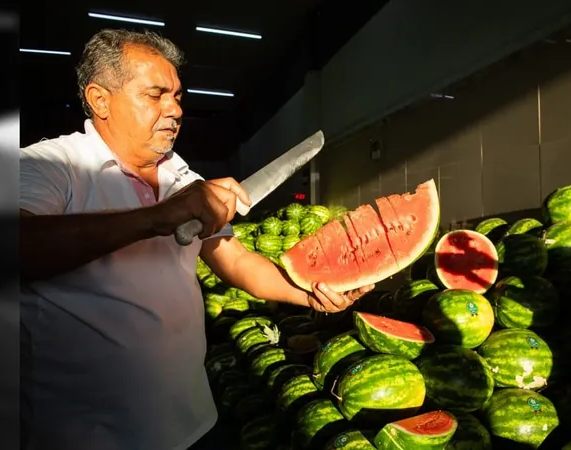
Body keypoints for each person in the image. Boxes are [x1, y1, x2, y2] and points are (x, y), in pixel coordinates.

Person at [19, 29, 374, 450]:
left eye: (178, 96)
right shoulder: (51, 163)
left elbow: (235, 260)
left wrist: (309, 293)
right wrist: (156, 218)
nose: (174, 110)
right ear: (100, 100)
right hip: (90, 435)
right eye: (155, 95)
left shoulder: (178, 172)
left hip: (194, 421)